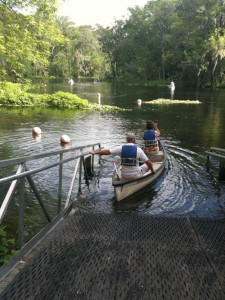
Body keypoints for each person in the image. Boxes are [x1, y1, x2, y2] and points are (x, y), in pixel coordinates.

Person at [89, 133, 155, 181]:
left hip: (124, 176)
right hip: (135, 176)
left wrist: (95, 152)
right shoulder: (139, 150)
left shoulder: (120, 148)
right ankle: (144, 178)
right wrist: (152, 171)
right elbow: (149, 163)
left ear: (127, 140)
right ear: (134, 140)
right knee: (150, 164)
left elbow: (107, 152)